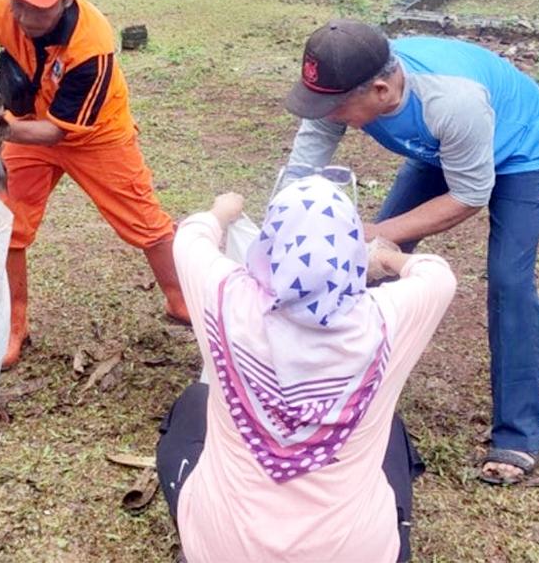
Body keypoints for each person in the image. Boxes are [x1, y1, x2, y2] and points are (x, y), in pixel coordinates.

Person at [282, 20, 539, 486]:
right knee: (371, 267)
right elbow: (301, 172)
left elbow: (469, 195)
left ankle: (520, 431)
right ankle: (334, 391)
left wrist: (373, 232)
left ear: (381, 89)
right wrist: (284, 230)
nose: (324, 114)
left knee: (509, 281)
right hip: (440, 149)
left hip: (519, 151)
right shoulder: (337, 86)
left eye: (334, 107)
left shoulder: (451, 100)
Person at [158, 177, 456, 563]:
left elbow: (190, 238)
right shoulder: (387, 318)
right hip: (355, 552)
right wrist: (385, 257)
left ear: (269, 247)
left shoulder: (224, 297)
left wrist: (223, 209)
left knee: (193, 404)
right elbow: (437, 273)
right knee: (391, 430)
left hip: (224, 550)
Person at [0, 0, 187, 370]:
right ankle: (14, 325)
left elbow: (56, 135)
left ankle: (181, 299)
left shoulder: (92, 45)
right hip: (25, 124)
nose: (24, 15)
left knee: (145, 222)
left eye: (38, 5)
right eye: (19, 1)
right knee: (7, 222)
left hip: (95, 134)